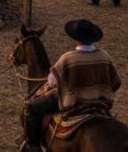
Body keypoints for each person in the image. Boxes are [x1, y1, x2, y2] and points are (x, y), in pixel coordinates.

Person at [20, 19, 121, 152]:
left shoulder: (68, 58)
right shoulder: (105, 56)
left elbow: (51, 82)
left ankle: (33, 146)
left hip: (73, 102)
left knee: (32, 107)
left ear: (75, 38)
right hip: (99, 102)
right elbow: (116, 82)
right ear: (93, 38)